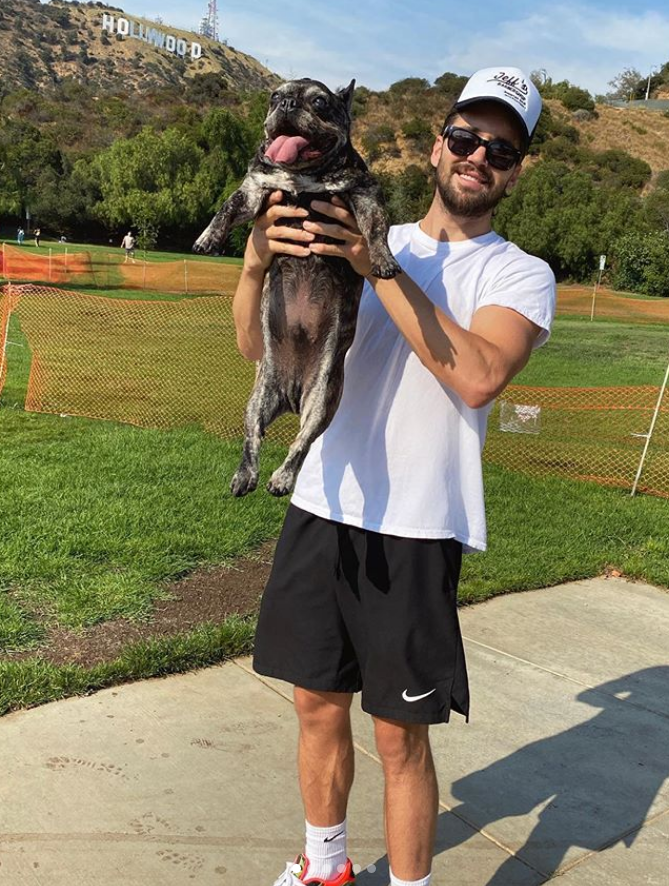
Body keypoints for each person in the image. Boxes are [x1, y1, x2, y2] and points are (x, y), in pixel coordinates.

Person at [232, 67, 556, 886]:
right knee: (312, 704)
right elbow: (255, 349)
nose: (477, 155)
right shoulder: (365, 228)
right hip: (320, 503)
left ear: (515, 168)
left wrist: (374, 265)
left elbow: (478, 374)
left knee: (397, 738)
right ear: (436, 144)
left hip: (415, 526)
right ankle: (326, 867)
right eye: (464, 137)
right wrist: (253, 260)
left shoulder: (516, 274)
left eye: (500, 147)